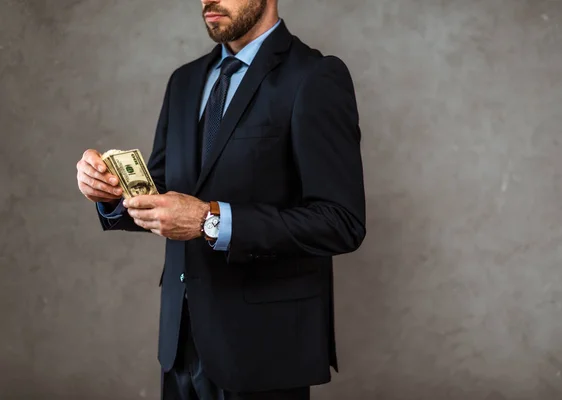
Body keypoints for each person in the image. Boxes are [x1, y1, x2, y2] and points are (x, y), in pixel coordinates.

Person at [75, 0, 366, 398]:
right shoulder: (184, 80)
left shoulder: (314, 76)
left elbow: (340, 222)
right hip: (179, 344)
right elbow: (162, 190)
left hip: (265, 349)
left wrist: (209, 220)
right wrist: (110, 192)